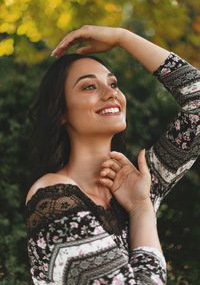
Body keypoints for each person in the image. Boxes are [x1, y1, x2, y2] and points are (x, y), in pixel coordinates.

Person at [25, 25, 200, 284]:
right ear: (61, 112)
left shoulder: (136, 183)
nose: (111, 94)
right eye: (88, 87)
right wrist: (142, 210)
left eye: (113, 83)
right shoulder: (53, 201)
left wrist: (123, 38)